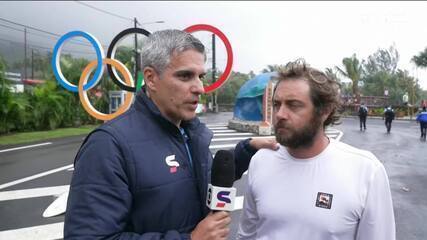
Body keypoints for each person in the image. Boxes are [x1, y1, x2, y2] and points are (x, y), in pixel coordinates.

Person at [64, 29, 278, 239]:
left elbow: (198, 179)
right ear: (151, 78)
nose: (199, 88)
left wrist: (247, 149)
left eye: (200, 76)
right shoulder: (108, 145)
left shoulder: (190, 132)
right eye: (185, 76)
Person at [237, 60, 395, 240]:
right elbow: (246, 235)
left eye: (293, 105)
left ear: (324, 111)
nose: (280, 114)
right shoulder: (260, 161)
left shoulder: (367, 171)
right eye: (277, 104)